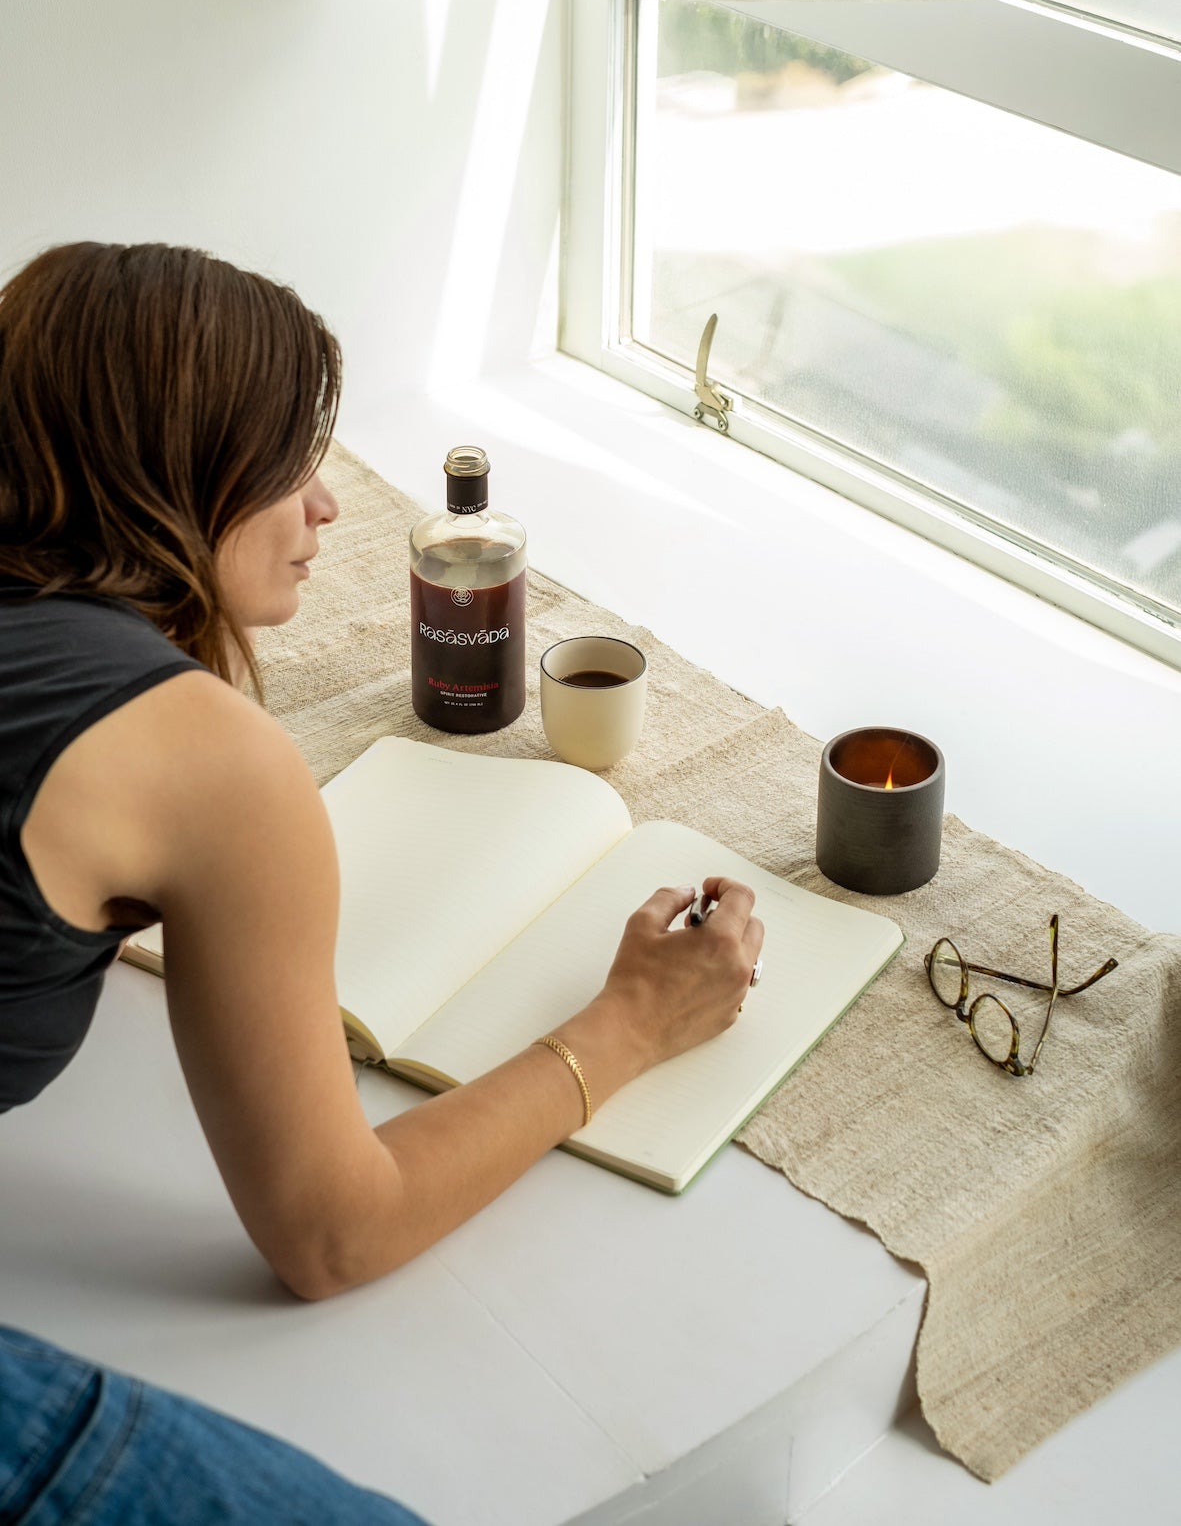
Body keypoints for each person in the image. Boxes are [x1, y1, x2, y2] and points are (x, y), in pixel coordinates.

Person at [0, 241, 764, 1522]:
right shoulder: (202, 757)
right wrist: (624, 1025)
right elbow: (328, 1231)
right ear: (172, 466)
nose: (326, 504)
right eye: (286, 459)